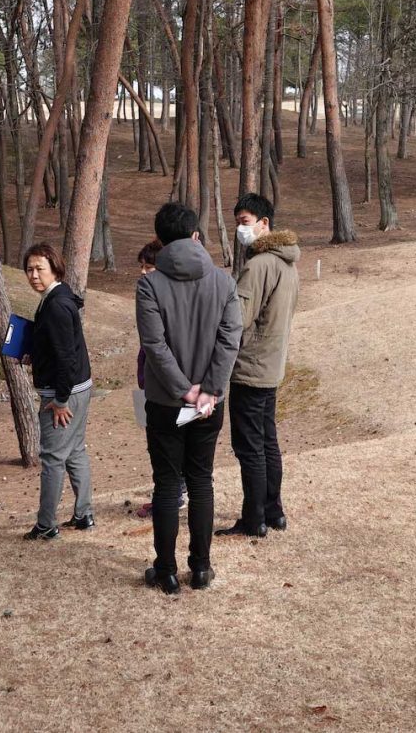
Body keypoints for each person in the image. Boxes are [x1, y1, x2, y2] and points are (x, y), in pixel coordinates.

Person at [136, 203, 242, 593]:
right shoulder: (224, 283)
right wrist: (209, 389)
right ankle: (201, 568)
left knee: (167, 484)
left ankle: (166, 570)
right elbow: (230, 341)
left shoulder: (149, 285)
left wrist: (185, 389)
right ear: (196, 235)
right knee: (200, 481)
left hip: (166, 401)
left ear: (160, 240)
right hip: (208, 404)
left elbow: (154, 345)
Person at [216, 193, 300, 539]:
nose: (240, 229)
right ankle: (273, 511)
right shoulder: (288, 263)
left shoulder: (259, 265)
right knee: (267, 442)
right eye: (237, 222)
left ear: (264, 223)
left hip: (251, 367)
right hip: (271, 366)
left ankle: (254, 519)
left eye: (245, 222)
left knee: (250, 447)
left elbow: (238, 319)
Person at [22, 242, 94, 540]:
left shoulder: (57, 306)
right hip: (77, 388)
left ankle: (46, 525)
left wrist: (61, 400)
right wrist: (36, 354)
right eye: (29, 269)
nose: (34, 275)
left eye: (40, 269)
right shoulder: (57, 298)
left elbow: (67, 359)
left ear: (55, 269)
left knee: (52, 458)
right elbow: (59, 348)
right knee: (75, 450)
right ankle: (84, 515)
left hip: (64, 394)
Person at [133, 239, 184, 519]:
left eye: (149, 267)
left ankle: (170, 497)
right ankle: (172, 492)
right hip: (149, 382)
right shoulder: (148, 296)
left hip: (165, 387)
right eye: (142, 266)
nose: (143, 272)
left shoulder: (165, 300)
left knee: (165, 448)